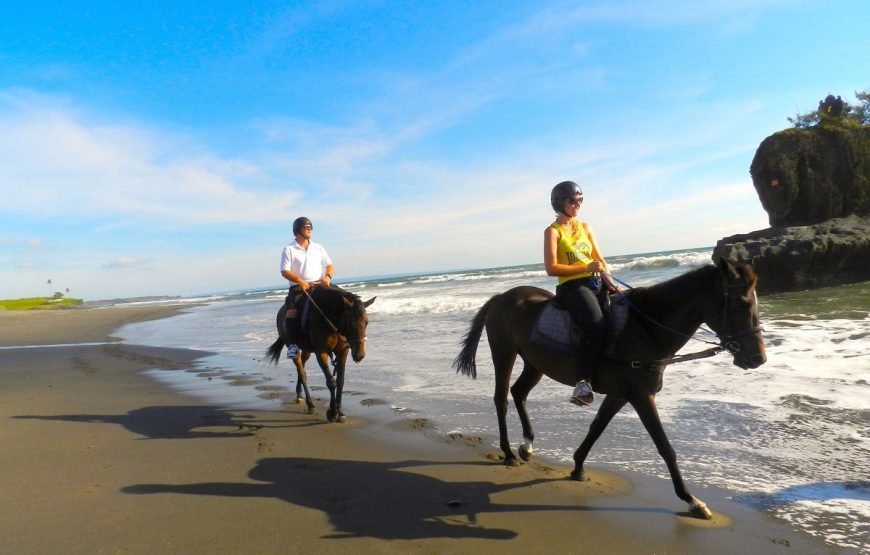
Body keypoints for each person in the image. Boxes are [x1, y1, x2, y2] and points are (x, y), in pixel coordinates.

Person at [543, 181, 610, 406]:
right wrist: (586, 268)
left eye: (580, 199)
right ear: (559, 203)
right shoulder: (553, 232)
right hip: (572, 287)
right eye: (572, 200)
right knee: (595, 324)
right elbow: (551, 268)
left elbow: (600, 260)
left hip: (596, 282)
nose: (577, 204)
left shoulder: (586, 227)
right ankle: (582, 382)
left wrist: (609, 279)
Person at [280, 216, 335, 358]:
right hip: (299, 288)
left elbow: (329, 265)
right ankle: (292, 345)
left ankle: (352, 335)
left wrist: (327, 277)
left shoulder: (318, 247)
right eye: (307, 227)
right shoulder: (289, 249)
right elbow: (284, 271)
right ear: (298, 230)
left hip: (320, 284)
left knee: (343, 299)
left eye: (311, 227)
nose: (310, 229)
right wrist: (300, 281)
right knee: (291, 311)